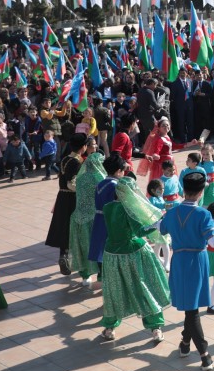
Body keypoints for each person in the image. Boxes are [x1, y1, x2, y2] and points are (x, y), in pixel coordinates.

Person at [159, 171, 214, 371]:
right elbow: (213, 241)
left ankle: (185, 343)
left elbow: (159, 228)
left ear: (183, 190)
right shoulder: (203, 214)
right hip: (196, 261)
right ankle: (205, 355)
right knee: (193, 310)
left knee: (191, 306)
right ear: (201, 191)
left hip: (179, 261)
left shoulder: (172, 212)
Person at [97, 177, 171, 344]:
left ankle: (110, 327)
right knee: (145, 287)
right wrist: (156, 224)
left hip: (111, 255)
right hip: (132, 253)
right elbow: (139, 232)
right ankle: (155, 327)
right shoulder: (128, 209)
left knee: (114, 291)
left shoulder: (107, 207)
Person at [46, 133, 89, 275]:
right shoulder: (77, 162)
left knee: (64, 227)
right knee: (74, 228)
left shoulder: (65, 159)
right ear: (83, 147)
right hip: (72, 198)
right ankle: (74, 260)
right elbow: (72, 184)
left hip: (62, 196)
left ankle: (63, 256)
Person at [70, 147, 105, 290]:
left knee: (82, 248)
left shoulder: (81, 177)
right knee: (98, 249)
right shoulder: (100, 178)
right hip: (94, 218)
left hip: (78, 218)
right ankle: (101, 276)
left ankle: (85, 276)